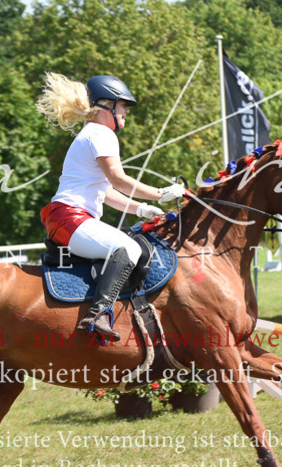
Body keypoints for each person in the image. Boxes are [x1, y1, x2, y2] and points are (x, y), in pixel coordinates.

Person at [35, 73, 186, 342]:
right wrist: (160, 194)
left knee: (127, 244)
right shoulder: (101, 133)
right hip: (71, 218)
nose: (127, 110)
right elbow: (119, 179)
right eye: (123, 105)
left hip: (65, 218)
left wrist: (141, 209)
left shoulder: (92, 134)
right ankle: (98, 313)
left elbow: (106, 192)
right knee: (129, 248)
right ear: (106, 106)